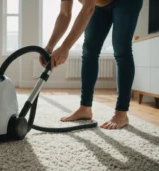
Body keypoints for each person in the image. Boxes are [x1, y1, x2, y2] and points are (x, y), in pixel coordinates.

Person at [39, 0, 143, 129]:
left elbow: (88, 9)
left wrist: (65, 47)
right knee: (89, 51)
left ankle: (121, 113)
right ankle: (85, 108)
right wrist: (50, 46)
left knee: (122, 50)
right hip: (99, 4)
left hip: (126, 2)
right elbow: (65, 14)